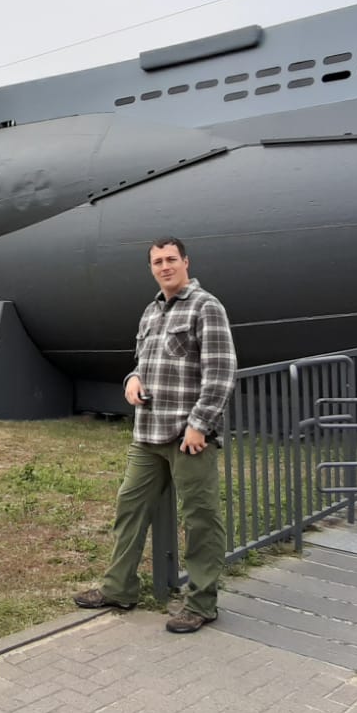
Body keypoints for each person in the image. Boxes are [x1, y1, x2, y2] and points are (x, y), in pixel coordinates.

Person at [74, 237, 238, 633]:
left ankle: (201, 603)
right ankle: (119, 588)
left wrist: (200, 423)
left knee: (200, 519)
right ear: (152, 267)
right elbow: (142, 362)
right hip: (147, 434)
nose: (164, 267)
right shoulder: (150, 312)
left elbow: (221, 370)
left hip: (187, 437)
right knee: (129, 510)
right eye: (157, 261)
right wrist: (132, 380)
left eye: (171, 260)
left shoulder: (206, 307)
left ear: (186, 262)